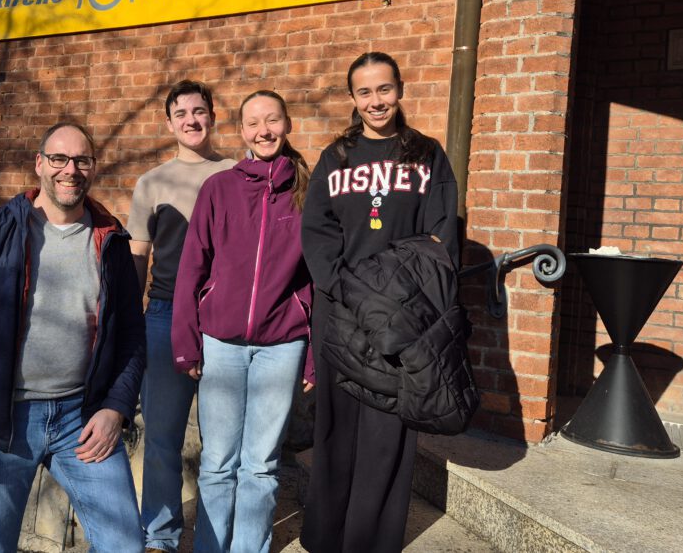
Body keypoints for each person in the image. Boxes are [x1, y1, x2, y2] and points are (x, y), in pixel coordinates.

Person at [0, 122, 146, 553]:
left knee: (124, 543)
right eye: (59, 159)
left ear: (93, 167)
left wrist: (116, 408)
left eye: (81, 160)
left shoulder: (112, 241)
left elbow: (131, 337)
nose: (70, 170)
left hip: (82, 419)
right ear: (39, 164)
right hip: (4, 422)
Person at [299, 52, 459, 553]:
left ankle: (370, 542)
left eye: (384, 89)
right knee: (336, 427)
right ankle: (326, 537)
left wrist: (397, 294)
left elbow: (440, 237)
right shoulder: (336, 157)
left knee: (388, 432)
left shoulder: (426, 155)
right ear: (353, 98)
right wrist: (343, 287)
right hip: (342, 310)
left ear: (400, 90)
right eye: (364, 92)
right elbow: (317, 230)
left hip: (401, 317)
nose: (376, 101)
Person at [171, 90, 315, 553]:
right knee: (216, 463)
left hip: (282, 344)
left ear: (287, 123)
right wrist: (186, 341)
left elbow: (320, 278)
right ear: (241, 131)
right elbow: (193, 266)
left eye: (272, 120)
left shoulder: (307, 191)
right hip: (221, 344)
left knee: (261, 465)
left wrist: (313, 356)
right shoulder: (220, 187)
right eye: (253, 123)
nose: (263, 131)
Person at [127, 80, 235, 552]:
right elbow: (137, 259)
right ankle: (161, 537)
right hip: (166, 317)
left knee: (223, 446)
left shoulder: (238, 172)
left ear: (212, 116)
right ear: (168, 122)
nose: (191, 120)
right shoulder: (151, 183)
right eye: (181, 113)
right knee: (163, 438)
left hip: (224, 319)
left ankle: (215, 540)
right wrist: (130, 323)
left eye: (199, 111)